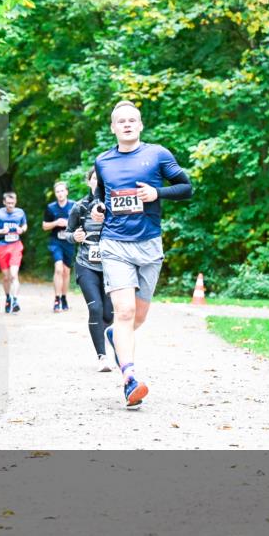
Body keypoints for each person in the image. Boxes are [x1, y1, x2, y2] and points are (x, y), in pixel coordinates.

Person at [95, 100, 192, 408]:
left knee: (138, 317)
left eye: (132, 120)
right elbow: (100, 198)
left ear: (140, 125)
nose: (126, 124)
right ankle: (129, 379)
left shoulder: (158, 155)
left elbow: (186, 187)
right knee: (124, 312)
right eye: (120, 121)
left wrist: (157, 193)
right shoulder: (103, 161)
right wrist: (99, 210)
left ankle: (115, 336)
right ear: (112, 127)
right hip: (114, 244)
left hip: (149, 244)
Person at [66, 170, 113, 371]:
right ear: (88, 182)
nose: (97, 182)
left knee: (109, 316)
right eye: (94, 179)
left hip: (112, 266)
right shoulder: (80, 207)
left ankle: (110, 346)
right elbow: (67, 233)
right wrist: (73, 237)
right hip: (86, 265)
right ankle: (102, 357)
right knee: (95, 309)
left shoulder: (112, 205)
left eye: (101, 180)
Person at [0, 192, 27, 314]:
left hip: (16, 246)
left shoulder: (20, 212)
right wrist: (1, 231)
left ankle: (15, 301)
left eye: (12, 203)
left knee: (14, 275)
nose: (10, 205)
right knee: (6, 277)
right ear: (4, 202)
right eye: (8, 203)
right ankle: (8, 298)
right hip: (2, 247)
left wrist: (22, 229)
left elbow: (24, 225)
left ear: (15, 202)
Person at [42, 181, 76, 312]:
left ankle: (64, 297)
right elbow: (44, 226)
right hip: (56, 241)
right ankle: (56, 299)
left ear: (66, 192)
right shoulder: (51, 208)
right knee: (58, 269)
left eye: (62, 191)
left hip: (69, 242)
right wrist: (56, 223)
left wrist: (68, 223)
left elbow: (79, 224)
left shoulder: (74, 206)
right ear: (55, 194)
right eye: (57, 192)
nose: (60, 194)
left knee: (66, 272)